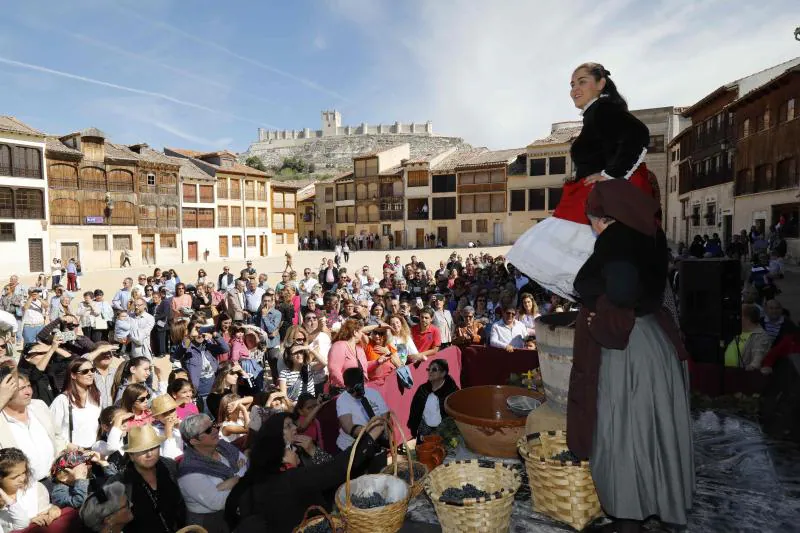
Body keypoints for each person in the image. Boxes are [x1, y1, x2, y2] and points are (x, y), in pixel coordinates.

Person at [569, 179, 693, 531]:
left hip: (627, 349)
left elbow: (621, 291)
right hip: (653, 339)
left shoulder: (616, 239)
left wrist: (597, 309)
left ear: (602, 216)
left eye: (591, 218)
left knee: (622, 431)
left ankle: (628, 518)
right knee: (653, 430)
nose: (591, 226)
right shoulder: (650, 235)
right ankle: (658, 504)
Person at [509, 63, 657, 299]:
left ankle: (604, 304)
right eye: (572, 84)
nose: (574, 88)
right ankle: (601, 303)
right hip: (598, 195)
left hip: (602, 197)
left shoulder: (603, 109)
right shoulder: (596, 112)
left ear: (601, 83)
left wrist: (611, 175)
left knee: (557, 250)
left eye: (582, 81)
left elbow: (637, 135)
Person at [225, 411, 386, 532]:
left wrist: (313, 451)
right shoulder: (285, 477)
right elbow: (335, 470)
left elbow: (327, 474)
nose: (295, 427)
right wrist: (369, 439)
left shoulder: (283, 460)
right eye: (288, 426)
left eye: (293, 423)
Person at [105, 424, 187, 533]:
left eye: (153, 448)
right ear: (131, 456)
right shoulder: (119, 483)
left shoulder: (170, 467)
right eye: (142, 450)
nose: (149, 454)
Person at [178, 414, 247, 532]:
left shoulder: (223, 446)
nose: (215, 430)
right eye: (208, 430)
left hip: (236, 512)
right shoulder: (189, 470)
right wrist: (239, 477)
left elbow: (248, 466)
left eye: (214, 425)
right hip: (211, 524)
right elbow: (218, 502)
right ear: (194, 441)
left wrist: (227, 484)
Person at [0, 447, 61, 531]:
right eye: (15, 477)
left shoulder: (35, 488)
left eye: (24, 472)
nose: (22, 478)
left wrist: (53, 509)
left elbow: (44, 509)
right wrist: (30, 523)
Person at [49, 357, 102, 449]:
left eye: (92, 370)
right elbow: (51, 430)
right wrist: (68, 445)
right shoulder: (62, 400)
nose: (90, 374)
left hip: (93, 451)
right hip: (72, 454)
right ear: (73, 375)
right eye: (85, 371)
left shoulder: (97, 396)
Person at [408, 358, 459, 439]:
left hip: (445, 432)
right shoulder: (423, 389)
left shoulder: (452, 391)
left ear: (443, 373)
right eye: (429, 369)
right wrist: (414, 429)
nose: (430, 372)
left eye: (434, 369)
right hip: (425, 430)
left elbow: (456, 414)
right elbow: (415, 410)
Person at [723, 304, 772, 369]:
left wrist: (751, 368)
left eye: (738, 315)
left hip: (742, 376)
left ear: (746, 318)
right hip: (726, 373)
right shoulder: (737, 332)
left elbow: (758, 359)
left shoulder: (761, 336)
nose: (735, 318)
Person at [150, 395, 184, 460]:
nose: (170, 415)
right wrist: (168, 431)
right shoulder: (154, 431)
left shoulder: (181, 422)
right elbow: (168, 457)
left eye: (172, 410)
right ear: (156, 417)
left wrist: (180, 428)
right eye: (165, 413)